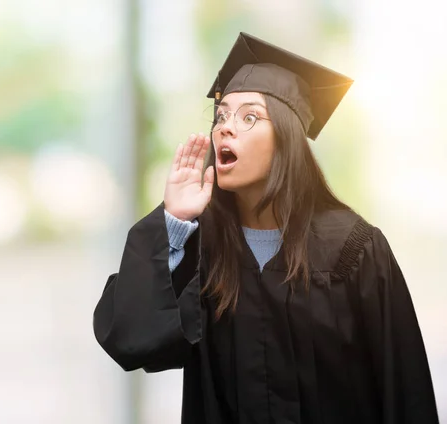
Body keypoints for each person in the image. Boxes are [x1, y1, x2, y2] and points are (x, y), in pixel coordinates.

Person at [93, 32, 439, 424]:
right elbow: (132, 342)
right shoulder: (201, 246)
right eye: (220, 116)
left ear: (286, 139)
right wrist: (174, 223)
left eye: (249, 117)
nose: (224, 127)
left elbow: (404, 389)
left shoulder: (352, 249)